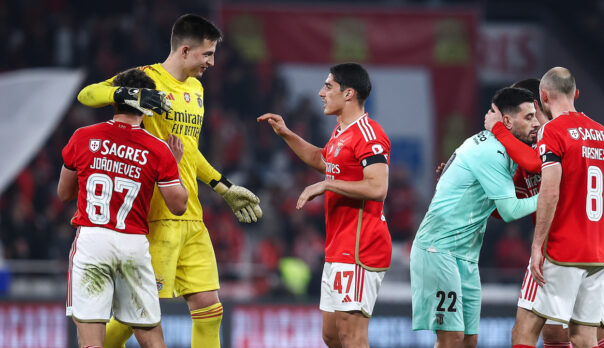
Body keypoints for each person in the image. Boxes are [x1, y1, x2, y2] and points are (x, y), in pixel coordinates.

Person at [76, 14, 262, 348]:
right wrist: (128, 93)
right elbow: (87, 95)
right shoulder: (149, 79)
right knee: (138, 315)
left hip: (191, 214)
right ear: (186, 49)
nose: (212, 62)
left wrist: (223, 186)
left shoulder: (196, 89)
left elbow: (189, 151)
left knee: (210, 307)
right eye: (207, 54)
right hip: (157, 214)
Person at [258, 62, 391, 348]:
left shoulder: (369, 134)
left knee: (351, 335)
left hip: (360, 246)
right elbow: (323, 160)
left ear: (349, 94)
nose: (321, 93)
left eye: (328, 86)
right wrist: (286, 134)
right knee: (331, 335)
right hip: (337, 246)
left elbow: (378, 187)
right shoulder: (341, 133)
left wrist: (327, 184)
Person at [58, 68, 188, 348]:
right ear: (147, 106)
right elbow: (178, 206)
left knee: (91, 341)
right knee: (152, 340)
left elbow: (63, 193)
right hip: (133, 245)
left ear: (114, 100)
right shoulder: (158, 149)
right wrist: (173, 165)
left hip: (92, 240)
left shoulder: (82, 136)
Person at [486, 78, 604, 348]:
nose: (527, 122)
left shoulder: (551, 138)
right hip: (594, 251)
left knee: (525, 332)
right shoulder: (590, 135)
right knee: (574, 335)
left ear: (538, 104)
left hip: (557, 248)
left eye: (527, 114)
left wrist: (498, 129)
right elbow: (510, 204)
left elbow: (539, 171)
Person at [410, 87, 540, 348]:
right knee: (452, 338)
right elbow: (509, 210)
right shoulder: (491, 152)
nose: (536, 122)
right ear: (506, 122)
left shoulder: (502, 147)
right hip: (439, 249)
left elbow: (493, 208)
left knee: (469, 340)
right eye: (528, 117)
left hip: (466, 256)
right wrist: (551, 195)